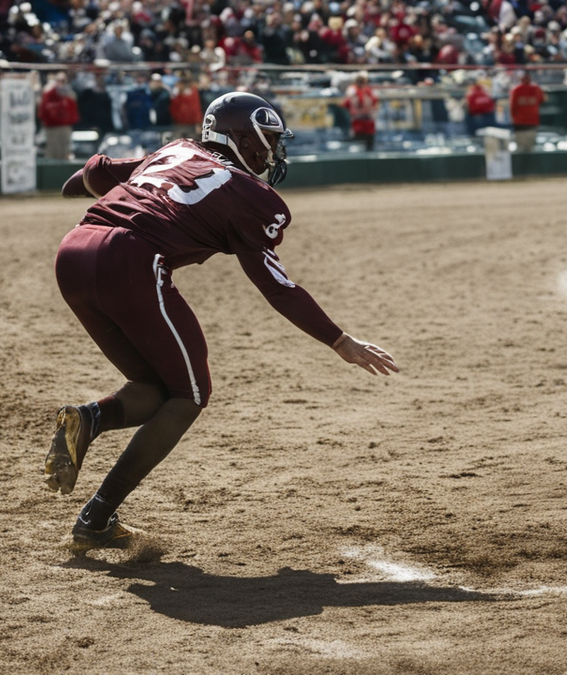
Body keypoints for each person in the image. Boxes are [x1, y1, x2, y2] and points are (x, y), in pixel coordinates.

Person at [48, 93, 398, 550]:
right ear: (243, 138)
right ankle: (96, 516)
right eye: (269, 139)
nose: (274, 150)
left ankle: (90, 419)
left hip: (73, 250)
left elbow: (90, 175)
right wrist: (339, 340)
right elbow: (276, 286)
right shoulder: (248, 193)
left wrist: (115, 192)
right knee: (190, 394)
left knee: (155, 387)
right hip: (129, 260)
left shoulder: (174, 151)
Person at [40, 72, 80, 160]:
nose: (61, 83)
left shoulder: (70, 93)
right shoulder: (48, 93)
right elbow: (43, 112)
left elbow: (73, 112)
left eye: (63, 81)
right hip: (52, 128)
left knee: (65, 152)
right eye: (59, 81)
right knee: (52, 153)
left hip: (65, 127)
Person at [509, 70, 545, 152]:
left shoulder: (517, 90)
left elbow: (512, 107)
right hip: (528, 121)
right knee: (529, 148)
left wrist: (513, 119)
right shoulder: (535, 88)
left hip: (522, 121)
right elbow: (542, 100)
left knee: (523, 147)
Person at [342, 71, 378, 151]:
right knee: (356, 143)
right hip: (357, 121)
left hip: (368, 121)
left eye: (363, 80)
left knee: (369, 143)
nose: (361, 82)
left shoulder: (368, 90)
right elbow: (349, 104)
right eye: (360, 80)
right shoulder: (352, 90)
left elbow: (373, 103)